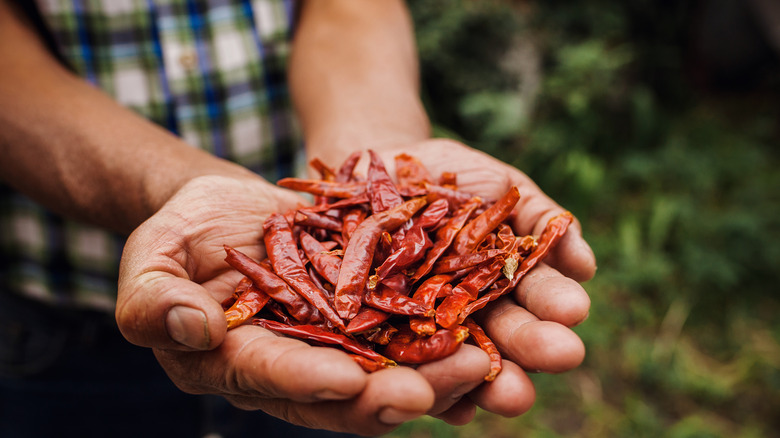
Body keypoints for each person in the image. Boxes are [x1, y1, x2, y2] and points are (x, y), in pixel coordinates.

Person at [0, 0, 596, 436]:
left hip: (296, 306)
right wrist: (173, 185)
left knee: (340, 392)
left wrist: (375, 145)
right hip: (54, 328)